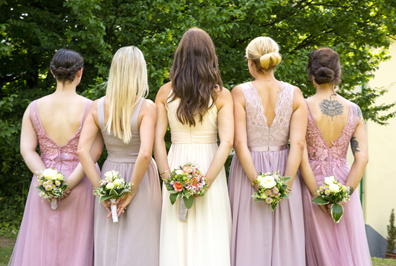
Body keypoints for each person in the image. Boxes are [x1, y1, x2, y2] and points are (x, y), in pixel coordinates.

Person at [9, 49, 102, 266]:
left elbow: (27, 150)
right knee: (78, 244)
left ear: (52, 72)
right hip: (81, 182)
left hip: (44, 185)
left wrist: (48, 181)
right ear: (80, 72)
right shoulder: (92, 107)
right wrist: (68, 183)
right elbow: (94, 152)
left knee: (42, 244)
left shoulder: (34, 107)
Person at [155, 28, 233, 266]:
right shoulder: (221, 95)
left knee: (176, 231)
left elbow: (158, 140)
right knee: (211, 231)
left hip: (175, 161)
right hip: (211, 164)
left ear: (180, 56)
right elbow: (227, 142)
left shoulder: (165, 92)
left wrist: (168, 177)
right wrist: (206, 182)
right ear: (210, 57)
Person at [78, 46, 161, 266]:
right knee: (142, 239)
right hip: (140, 178)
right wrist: (130, 192)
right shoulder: (147, 107)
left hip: (110, 174)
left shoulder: (97, 107)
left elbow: (85, 152)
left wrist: (102, 191)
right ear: (139, 72)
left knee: (111, 239)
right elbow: (144, 153)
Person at [228, 36, 307, 266]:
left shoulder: (239, 92)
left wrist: (257, 183)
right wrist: (285, 186)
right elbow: (298, 145)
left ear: (251, 63)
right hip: (285, 169)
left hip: (248, 171)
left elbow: (239, 144)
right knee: (286, 240)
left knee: (249, 237)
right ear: (275, 62)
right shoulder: (295, 93)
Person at [300, 47, 372, 266]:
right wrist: (344, 195)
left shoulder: (301, 107)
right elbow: (362, 159)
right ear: (338, 75)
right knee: (344, 249)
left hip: (310, 184)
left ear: (311, 76)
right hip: (344, 185)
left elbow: (300, 155)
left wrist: (316, 193)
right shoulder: (354, 110)